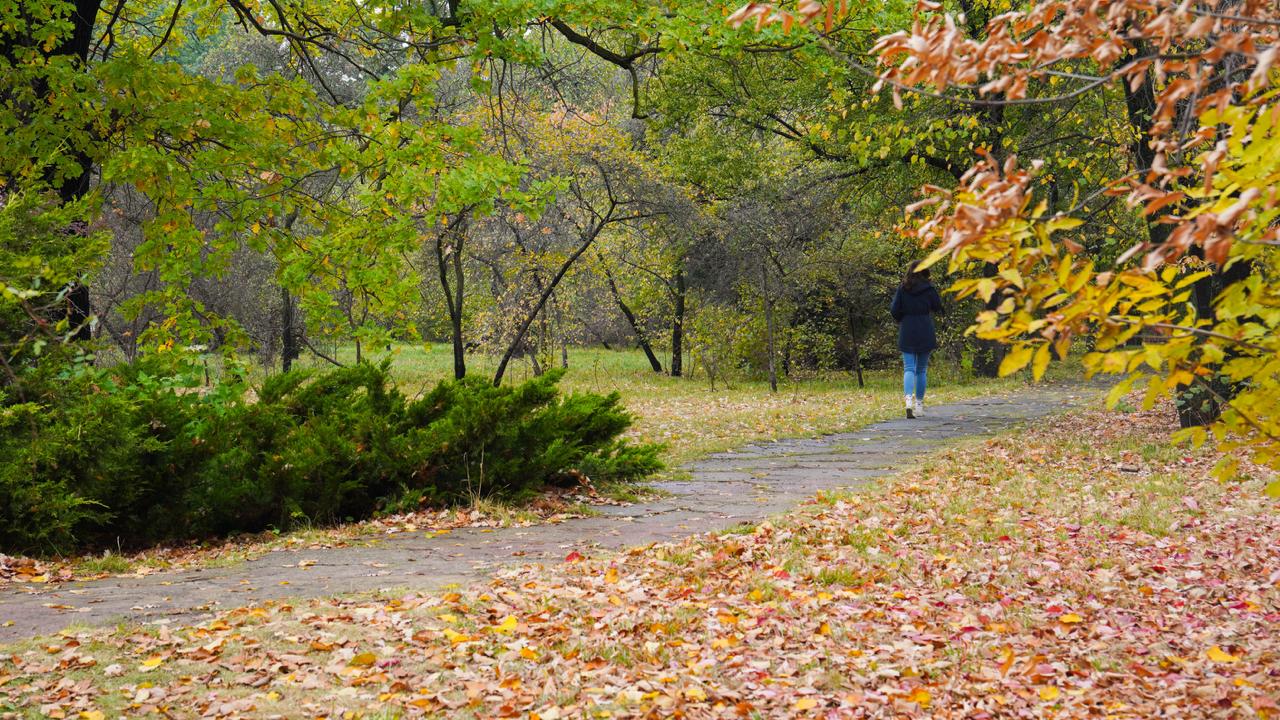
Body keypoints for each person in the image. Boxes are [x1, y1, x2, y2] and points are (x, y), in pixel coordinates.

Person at [890, 260, 944, 418]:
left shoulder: (903, 288)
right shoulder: (929, 288)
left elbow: (894, 310)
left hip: (907, 328)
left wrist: (903, 318)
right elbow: (937, 306)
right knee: (921, 370)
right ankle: (919, 406)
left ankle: (908, 402)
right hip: (925, 328)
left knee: (909, 368)